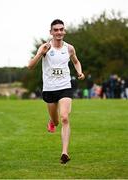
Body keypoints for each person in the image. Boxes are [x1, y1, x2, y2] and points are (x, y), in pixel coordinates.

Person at [28, 19, 85, 164]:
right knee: (56, 121)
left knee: (65, 117)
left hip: (65, 87)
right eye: (56, 30)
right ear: (51, 32)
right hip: (49, 89)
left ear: (64, 31)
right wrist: (40, 54)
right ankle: (52, 122)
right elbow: (30, 66)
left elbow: (76, 61)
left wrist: (79, 72)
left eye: (61, 29)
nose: (59, 32)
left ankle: (64, 153)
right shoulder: (45, 47)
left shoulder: (69, 48)